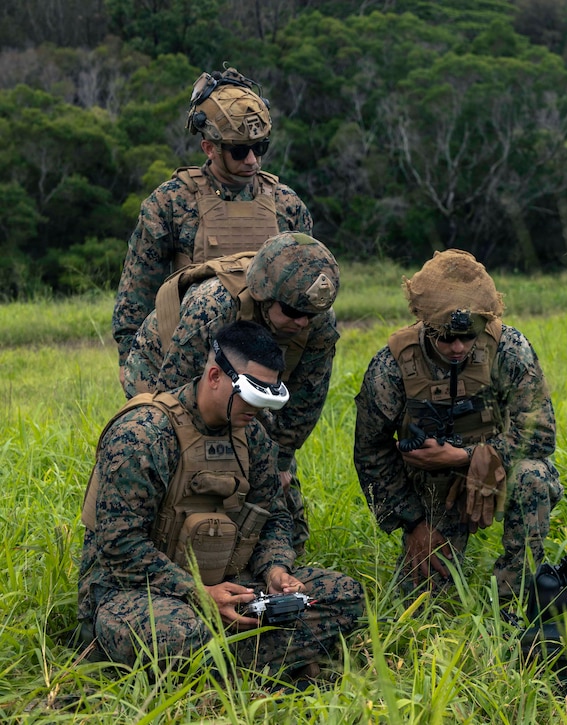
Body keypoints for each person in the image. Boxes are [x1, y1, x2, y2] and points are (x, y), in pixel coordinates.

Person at [78, 321, 362, 677]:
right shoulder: (143, 434)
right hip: (139, 591)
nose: (256, 410)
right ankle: (268, 658)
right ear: (214, 376)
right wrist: (199, 593)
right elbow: (119, 545)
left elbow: (272, 515)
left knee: (344, 595)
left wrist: (275, 569)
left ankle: (225, 660)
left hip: (232, 585)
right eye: (250, 396)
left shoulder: (250, 435)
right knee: (177, 635)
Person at [353, 249, 563, 601]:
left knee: (533, 477)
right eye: (445, 337)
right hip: (433, 487)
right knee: (421, 603)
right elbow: (371, 451)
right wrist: (414, 522)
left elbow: (539, 434)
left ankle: (515, 598)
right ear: (424, 323)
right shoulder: (391, 367)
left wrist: (467, 456)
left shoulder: (509, 349)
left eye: (469, 337)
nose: (457, 347)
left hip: (500, 468)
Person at [121, 232, 340, 556]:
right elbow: (175, 395)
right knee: (185, 469)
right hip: (163, 372)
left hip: (250, 379)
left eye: (310, 315)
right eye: (293, 312)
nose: (302, 322)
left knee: (276, 498)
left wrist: (278, 461)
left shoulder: (316, 322)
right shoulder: (212, 305)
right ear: (265, 296)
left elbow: (306, 399)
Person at [112, 65, 313, 377]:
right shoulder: (171, 203)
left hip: (268, 357)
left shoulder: (287, 205)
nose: (252, 160)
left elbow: (307, 292)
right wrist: (133, 370)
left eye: (260, 148)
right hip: (191, 357)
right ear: (209, 148)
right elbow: (135, 298)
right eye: (239, 151)